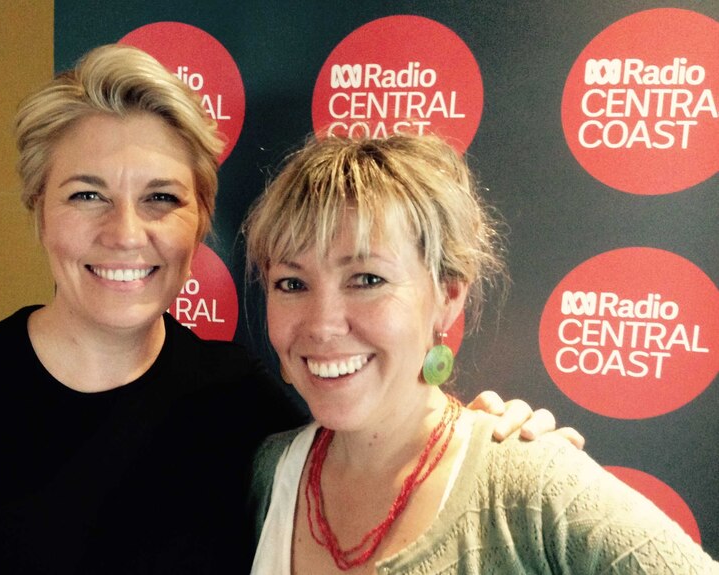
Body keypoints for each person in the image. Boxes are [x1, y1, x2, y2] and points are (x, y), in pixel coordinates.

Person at [0, 44, 573, 575]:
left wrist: (488, 449)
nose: (125, 233)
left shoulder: (249, 407)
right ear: (38, 212)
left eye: (161, 198)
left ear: (200, 221)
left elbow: (390, 461)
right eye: (86, 194)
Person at [244, 134, 718, 574]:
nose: (323, 324)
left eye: (368, 279)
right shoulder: (271, 470)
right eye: (292, 283)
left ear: (449, 295)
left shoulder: (531, 484)